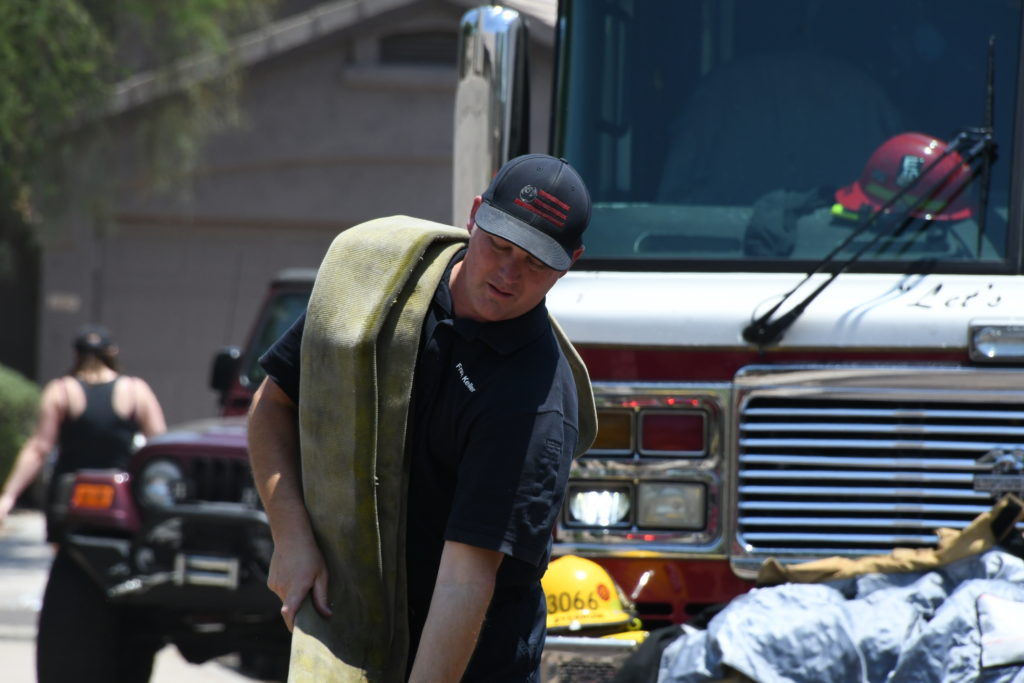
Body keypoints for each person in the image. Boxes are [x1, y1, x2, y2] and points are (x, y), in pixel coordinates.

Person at [248, 153, 594, 681]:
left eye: (535, 263)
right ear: (474, 215)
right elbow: (273, 406)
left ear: (571, 262)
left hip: (463, 661)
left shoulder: (535, 403)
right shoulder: (380, 286)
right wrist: (292, 539)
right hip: (347, 633)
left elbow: (464, 581)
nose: (508, 273)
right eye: (499, 245)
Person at [0, 324, 166, 537]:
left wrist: (8, 496)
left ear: (75, 353)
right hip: (120, 495)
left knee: (65, 548)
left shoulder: (60, 390)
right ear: (112, 352)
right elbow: (158, 445)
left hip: (70, 493)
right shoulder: (136, 390)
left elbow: (39, 449)